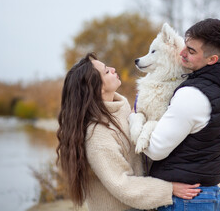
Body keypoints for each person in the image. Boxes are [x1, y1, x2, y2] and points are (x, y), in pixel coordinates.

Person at [56, 53, 201, 211]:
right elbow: (122, 184)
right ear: (96, 87)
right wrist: (169, 189)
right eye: (106, 71)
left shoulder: (123, 111)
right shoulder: (97, 133)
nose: (112, 69)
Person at [134, 18, 220, 211]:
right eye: (186, 46)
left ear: (212, 59)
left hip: (185, 200)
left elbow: (155, 148)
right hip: (207, 194)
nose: (182, 52)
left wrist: (134, 119)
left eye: (191, 51)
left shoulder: (191, 95)